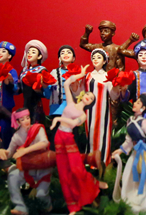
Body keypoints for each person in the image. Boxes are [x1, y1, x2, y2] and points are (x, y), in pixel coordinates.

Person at [49, 65, 107, 214]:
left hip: (68, 138)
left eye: (91, 98)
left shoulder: (83, 115)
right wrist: (81, 74)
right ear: (83, 94)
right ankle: (73, 206)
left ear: (90, 103)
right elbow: (67, 84)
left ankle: (94, 184)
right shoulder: (70, 103)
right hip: (59, 137)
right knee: (63, 173)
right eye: (88, 94)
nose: (88, 97)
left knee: (76, 169)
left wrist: (58, 119)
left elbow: (73, 123)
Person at [0, 108, 54, 215]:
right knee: (13, 176)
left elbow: (44, 143)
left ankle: (48, 208)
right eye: (22, 119)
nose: (26, 121)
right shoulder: (16, 136)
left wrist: (25, 150)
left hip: (43, 166)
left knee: (41, 195)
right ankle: (20, 206)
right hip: (29, 168)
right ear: (18, 122)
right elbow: (9, 153)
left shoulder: (37, 129)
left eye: (27, 118)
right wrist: (2, 151)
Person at [80, 48, 123, 174]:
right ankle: (90, 161)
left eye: (99, 57)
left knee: (103, 135)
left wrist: (116, 86)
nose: (95, 59)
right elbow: (80, 92)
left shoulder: (107, 76)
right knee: (90, 135)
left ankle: (103, 162)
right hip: (89, 111)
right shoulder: (87, 76)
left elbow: (113, 96)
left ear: (104, 61)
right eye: (93, 57)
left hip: (103, 111)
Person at [19, 40, 55, 124]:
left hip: (36, 105)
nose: (29, 54)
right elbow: (19, 89)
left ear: (39, 56)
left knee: (35, 125)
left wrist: (38, 90)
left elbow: (45, 93)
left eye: (33, 52)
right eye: (28, 52)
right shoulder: (23, 71)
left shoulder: (41, 70)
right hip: (25, 104)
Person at [0, 41, 19, 147]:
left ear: (9, 56)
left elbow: (16, 89)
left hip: (5, 106)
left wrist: (9, 82)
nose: (0, 53)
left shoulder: (12, 71)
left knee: (4, 130)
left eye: (3, 51)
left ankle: (6, 151)